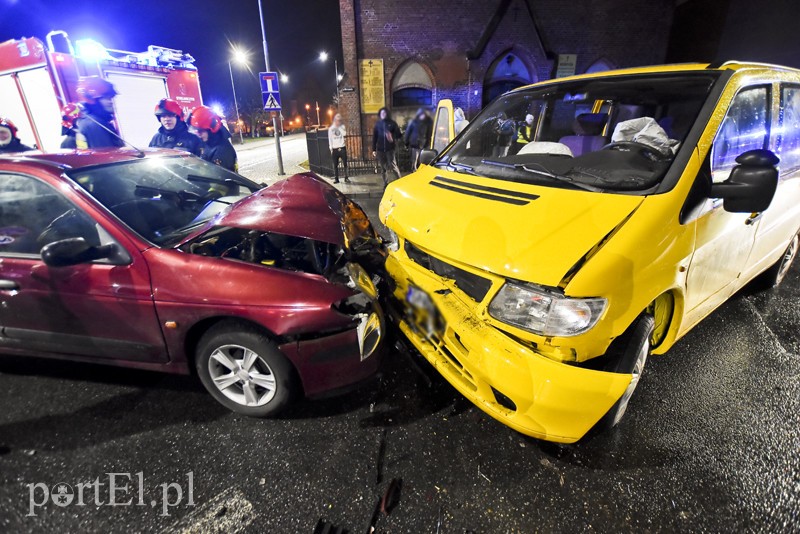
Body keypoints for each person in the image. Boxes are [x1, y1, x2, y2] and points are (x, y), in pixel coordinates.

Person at [75, 76, 124, 149]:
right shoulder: (94, 125)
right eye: (106, 98)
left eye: (110, 98)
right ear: (93, 100)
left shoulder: (94, 121)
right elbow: (108, 156)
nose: (110, 102)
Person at [188, 105, 237, 172]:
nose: (198, 134)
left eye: (201, 131)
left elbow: (218, 178)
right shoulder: (209, 143)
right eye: (196, 130)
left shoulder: (222, 151)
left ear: (211, 130)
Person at [372, 106, 402, 185]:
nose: (383, 114)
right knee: (383, 168)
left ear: (387, 114)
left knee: (393, 166)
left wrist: (392, 136)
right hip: (380, 150)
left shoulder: (392, 123)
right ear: (380, 114)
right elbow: (374, 137)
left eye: (384, 113)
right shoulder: (377, 125)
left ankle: (400, 182)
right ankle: (386, 184)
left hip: (390, 149)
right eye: (381, 113)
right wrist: (373, 149)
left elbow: (399, 135)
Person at [328, 113, 350, 184]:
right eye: (337, 120)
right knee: (335, 165)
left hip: (342, 147)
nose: (338, 121)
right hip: (335, 148)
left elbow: (344, 134)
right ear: (334, 120)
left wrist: (340, 127)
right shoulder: (331, 129)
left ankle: (346, 177)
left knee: (345, 164)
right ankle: (336, 178)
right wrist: (331, 148)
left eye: (339, 120)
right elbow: (330, 139)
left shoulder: (342, 127)